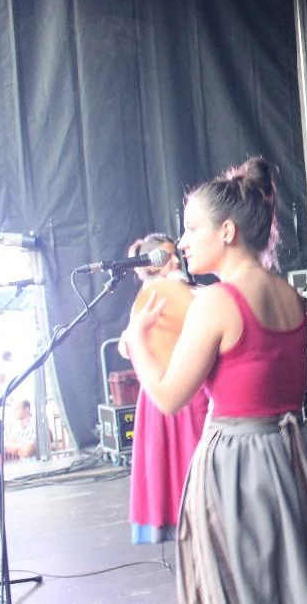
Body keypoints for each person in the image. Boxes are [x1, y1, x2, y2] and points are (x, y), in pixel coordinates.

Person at [124, 157, 307, 603]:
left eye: (192, 228)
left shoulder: (216, 301)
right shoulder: (290, 295)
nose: (182, 242)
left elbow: (169, 397)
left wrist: (137, 340)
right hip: (297, 456)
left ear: (227, 231)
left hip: (242, 466)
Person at [119, 233, 210, 545]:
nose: (175, 261)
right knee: (171, 463)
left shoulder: (193, 293)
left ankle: (203, 521)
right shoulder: (151, 298)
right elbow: (125, 345)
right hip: (162, 389)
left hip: (193, 388)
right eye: (166, 257)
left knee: (195, 460)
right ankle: (180, 525)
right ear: (151, 265)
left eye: (174, 255)